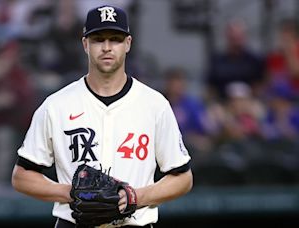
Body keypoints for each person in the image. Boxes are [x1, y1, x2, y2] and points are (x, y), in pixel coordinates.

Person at [11, 5, 193, 227]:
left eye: (115, 39)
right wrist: (71, 192)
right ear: (85, 44)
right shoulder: (56, 105)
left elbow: (183, 177)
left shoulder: (155, 105)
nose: (107, 47)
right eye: (98, 39)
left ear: (128, 44)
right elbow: (22, 176)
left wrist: (137, 197)